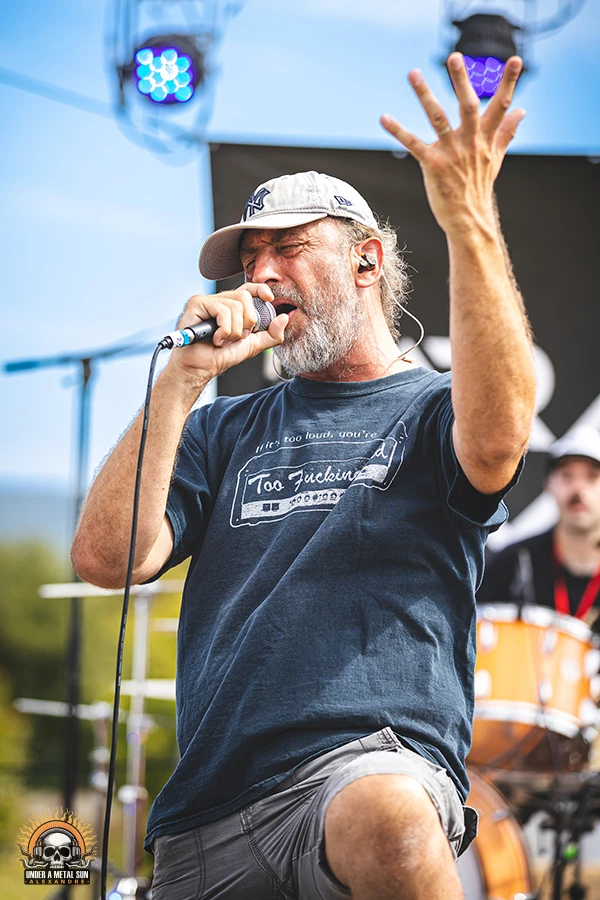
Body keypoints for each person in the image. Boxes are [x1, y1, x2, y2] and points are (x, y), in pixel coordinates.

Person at [71, 53, 535, 900]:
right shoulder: (220, 427)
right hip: (205, 817)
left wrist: (469, 217)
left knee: (393, 819)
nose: (262, 275)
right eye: (250, 259)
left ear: (366, 263)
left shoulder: (432, 411)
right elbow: (108, 560)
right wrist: (179, 381)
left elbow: (500, 439)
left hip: (365, 772)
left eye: (288, 247)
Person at [477, 426, 600, 629]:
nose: (578, 489)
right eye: (567, 476)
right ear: (548, 484)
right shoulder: (514, 561)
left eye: (592, 476)